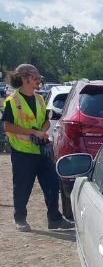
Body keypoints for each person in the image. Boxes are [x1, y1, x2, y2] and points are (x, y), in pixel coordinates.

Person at [2, 64, 73, 232]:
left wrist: (42, 131)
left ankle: (54, 219)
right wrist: (32, 132)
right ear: (25, 78)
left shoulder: (40, 99)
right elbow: (8, 127)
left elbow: (46, 121)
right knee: (22, 187)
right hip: (22, 152)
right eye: (36, 77)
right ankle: (20, 218)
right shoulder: (13, 101)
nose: (39, 80)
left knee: (52, 184)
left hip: (41, 150)